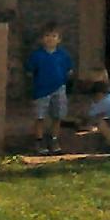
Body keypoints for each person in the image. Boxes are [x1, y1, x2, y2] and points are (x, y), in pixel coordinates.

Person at [25, 25, 76, 154]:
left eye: (54, 36)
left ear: (59, 39)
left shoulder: (63, 55)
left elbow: (69, 71)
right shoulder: (37, 55)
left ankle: (54, 140)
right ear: (42, 39)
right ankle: (39, 141)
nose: (50, 39)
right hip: (41, 90)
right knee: (40, 116)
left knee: (57, 116)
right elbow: (30, 72)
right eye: (47, 36)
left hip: (59, 88)